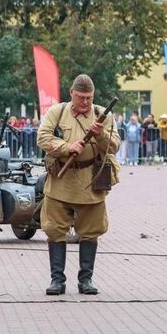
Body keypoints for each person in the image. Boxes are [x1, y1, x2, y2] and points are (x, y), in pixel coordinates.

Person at [37, 74, 120, 296]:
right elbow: (43, 137)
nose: (85, 102)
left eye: (89, 98)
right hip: (60, 180)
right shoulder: (57, 112)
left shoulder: (103, 115)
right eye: (81, 97)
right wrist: (66, 147)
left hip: (90, 181)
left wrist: (100, 134)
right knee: (55, 229)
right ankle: (57, 280)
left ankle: (86, 280)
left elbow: (114, 146)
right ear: (71, 93)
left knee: (91, 231)